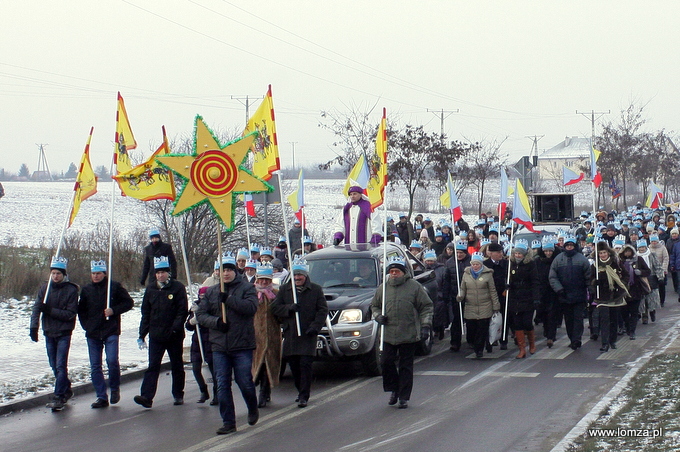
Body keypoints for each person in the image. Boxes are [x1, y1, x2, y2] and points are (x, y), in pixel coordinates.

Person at [197, 253, 259, 435]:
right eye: (223, 270)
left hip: (242, 344)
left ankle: (252, 406)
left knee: (245, 382)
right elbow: (201, 315)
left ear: (234, 271)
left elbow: (251, 308)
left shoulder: (247, 288)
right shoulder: (211, 292)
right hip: (219, 346)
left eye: (229, 270)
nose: (226, 273)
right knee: (222, 384)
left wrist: (229, 300)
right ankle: (228, 421)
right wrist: (216, 322)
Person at [371, 257, 433, 408]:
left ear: (403, 272)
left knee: (406, 366)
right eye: (391, 271)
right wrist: (378, 316)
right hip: (388, 333)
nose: (393, 274)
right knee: (386, 362)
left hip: (408, 332)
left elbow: (426, 306)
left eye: (396, 271)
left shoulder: (414, 287)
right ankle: (394, 389)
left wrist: (425, 325)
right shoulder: (383, 288)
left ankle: (404, 396)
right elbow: (374, 305)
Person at [271, 258, 328, 408]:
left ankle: (304, 394)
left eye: (300, 276)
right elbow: (275, 308)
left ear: (305, 276)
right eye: (295, 275)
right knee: (294, 365)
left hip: (308, 333)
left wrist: (315, 327)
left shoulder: (316, 289)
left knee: (305, 364)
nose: (297, 278)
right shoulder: (284, 290)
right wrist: (289, 308)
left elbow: (322, 310)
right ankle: (299, 389)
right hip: (291, 334)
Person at [78, 260, 134, 408]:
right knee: (95, 365)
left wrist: (114, 310)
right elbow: (81, 310)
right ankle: (101, 396)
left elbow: (129, 303)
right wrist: (87, 326)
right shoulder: (86, 289)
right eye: (93, 273)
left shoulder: (114, 287)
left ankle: (114, 388)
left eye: (98, 273)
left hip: (110, 329)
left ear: (104, 273)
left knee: (112, 360)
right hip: (93, 332)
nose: (95, 276)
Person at [134, 256, 188, 408]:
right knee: (153, 366)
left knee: (176, 364)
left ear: (168, 273)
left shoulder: (177, 288)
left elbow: (181, 311)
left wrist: (176, 328)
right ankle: (146, 396)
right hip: (156, 335)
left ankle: (178, 394)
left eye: (163, 272)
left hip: (174, 335)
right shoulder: (151, 289)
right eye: (157, 273)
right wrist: (142, 334)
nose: (160, 275)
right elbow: (146, 312)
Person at [29, 257, 79, 411]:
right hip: (49, 331)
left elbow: (70, 313)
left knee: (60, 365)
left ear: (63, 274)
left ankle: (58, 396)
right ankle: (66, 388)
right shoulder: (45, 288)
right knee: (53, 364)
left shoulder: (71, 290)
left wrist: (50, 310)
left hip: (64, 332)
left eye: (58, 273)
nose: (55, 276)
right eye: (53, 273)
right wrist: (34, 327)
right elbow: (37, 307)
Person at [549, 236, 592, 350]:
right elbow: (553, 277)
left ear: (575, 246)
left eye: (571, 245)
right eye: (567, 245)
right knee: (568, 319)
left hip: (579, 294)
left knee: (578, 318)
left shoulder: (582, 259)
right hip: (564, 295)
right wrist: (559, 289)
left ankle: (576, 339)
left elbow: (588, 276)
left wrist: (590, 289)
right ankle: (571, 338)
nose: (569, 247)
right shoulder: (558, 259)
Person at [457, 252, 500, 358]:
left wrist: (496, 305)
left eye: (477, 264)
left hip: (485, 305)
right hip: (470, 305)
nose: (475, 266)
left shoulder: (488, 274)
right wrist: (460, 296)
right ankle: (475, 343)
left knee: (482, 328)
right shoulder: (466, 274)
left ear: (481, 264)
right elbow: (463, 288)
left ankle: (479, 349)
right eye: (473, 264)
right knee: (471, 328)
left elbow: (492, 290)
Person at [251, 263, 282, 408]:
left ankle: (264, 391)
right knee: (257, 364)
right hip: (255, 335)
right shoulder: (250, 293)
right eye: (261, 279)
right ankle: (261, 390)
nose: (263, 282)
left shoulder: (276, 294)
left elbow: (282, 314)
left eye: (267, 280)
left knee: (268, 363)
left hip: (272, 335)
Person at [590, 241, 629, 352]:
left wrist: (620, 283)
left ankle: (613, 340)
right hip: (602, 296)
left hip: (615, 295)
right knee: (604, 320)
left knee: (613, 319)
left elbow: (626, 275)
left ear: (608, 252)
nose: (603, 255)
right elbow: (590, 279)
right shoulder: (595, 266)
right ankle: (605, 343)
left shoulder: (615, 263)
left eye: (604, 252)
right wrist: (594, 283)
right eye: (600, 253)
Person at [507, 240, 540, 358]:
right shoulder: (510, 264)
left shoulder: (530, 264)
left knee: (527, 322)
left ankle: (532, 343)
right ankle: (522, 349)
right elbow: (509, 279)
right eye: (516, 253)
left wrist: (536, 298)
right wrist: (508, 285)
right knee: (517, 324)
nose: (517, 256)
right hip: (515, 298)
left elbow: (535, 282)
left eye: (519, 254)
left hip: (527, 298)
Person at [185, 286, 218, 405]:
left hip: (210, 340)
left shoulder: (213, 306)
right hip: (197, 342)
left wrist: (203, 317)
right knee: (195, 368)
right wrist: (192, 320)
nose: (202, 298)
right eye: (201, 296)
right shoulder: (195, 307)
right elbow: (188, 326)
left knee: (214, 370)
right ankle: (203, 391)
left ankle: (217, 394)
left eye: (205, 296)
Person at [619, 244, 651, 340]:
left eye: (629, 251)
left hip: (635, 290)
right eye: (626, 251)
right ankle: (627, 327)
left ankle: (632, 331)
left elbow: (648, 271)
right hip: (624, 291)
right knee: (624, 312)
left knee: (634, 312)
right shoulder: (620, 262)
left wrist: (640, 272)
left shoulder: (638, 260)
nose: (627, 253)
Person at [445, 241, 471, 352]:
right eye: (457, 252)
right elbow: (447, 280)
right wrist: (447, 294)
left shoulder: (471, 262)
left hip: (470, 296)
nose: (459, 255)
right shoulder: (450, 263)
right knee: (456, 320)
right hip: (455, 295)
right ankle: (455, 342)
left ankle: (472, 341)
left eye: (461, 252)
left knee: (470, 320)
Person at [483, 242, 510, 350]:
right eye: (498, 252)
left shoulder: (506, 264)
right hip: (489, 296)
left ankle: (504, 340)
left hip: (503, 295)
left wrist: (508, 286)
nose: (500, 254)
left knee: (504, 318)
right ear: (491, 253)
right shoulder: (485, 265)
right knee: (488, 320)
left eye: (501, 252)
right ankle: (489, 341)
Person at [535, 239, 560, 348]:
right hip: (542, 290)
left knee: (552, 314)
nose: (548, 253)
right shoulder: (537, 261)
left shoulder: (557, 260)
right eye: (546, 251)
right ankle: (547, 331)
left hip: (553, 291)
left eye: (550, 251)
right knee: (544, 313)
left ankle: (551, 335)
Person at [424, 250, 448, 340]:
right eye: (427, 261)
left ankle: (439, 330)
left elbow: (444, 282)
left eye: (431, 261)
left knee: (438, 315)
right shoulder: (423, 269)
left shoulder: (442, 269)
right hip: (427, 295)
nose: (429, 263)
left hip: (439, 296)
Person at [637, 239, 662, 324]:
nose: (642, 249)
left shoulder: (651, 255)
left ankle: (652, 312)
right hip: (641, 279)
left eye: (643, 247)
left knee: (651, 298)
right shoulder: (636, 257)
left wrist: (660, 276)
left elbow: (657, 265)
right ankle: (644, 316)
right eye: (640, 247)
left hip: (651, 277)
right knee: (643, 299)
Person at [649, 234, 669, 306]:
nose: (654, 243)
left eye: (655, 241)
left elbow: (666, 258)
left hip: (661, 270)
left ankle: (662, 301)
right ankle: (655, 301)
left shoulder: (662, 248)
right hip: (653, 272)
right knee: (654, 287)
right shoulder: (648, 248)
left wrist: (663, 269)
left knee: (662, 286)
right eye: (652, 241)